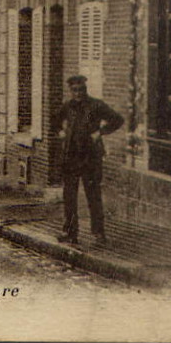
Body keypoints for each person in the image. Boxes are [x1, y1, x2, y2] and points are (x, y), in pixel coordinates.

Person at [53, 75, 124, 247]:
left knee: (93, 194)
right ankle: (70, 231)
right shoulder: (67, 107)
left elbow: (117, 120)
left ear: (86, 89)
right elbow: (55, 120)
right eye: (75, 90)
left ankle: (99, 233)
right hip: (71, 156)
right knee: (69, 195)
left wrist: (100, 132)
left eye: (81, 90)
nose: (78, 93)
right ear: (71, 91)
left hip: (90, 156)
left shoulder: (96, 105)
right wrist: (60, 132)